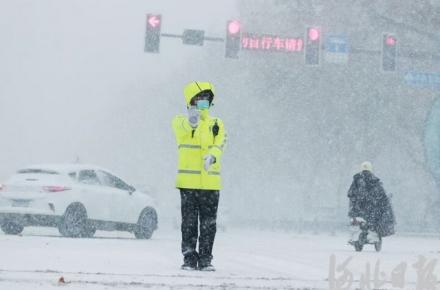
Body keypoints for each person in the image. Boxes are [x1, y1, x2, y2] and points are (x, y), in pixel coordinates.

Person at [172, 81, 227, 271]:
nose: (203, 101)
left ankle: (205, 259)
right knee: (188, 223)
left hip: (210, 184)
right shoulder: (180, 121)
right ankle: (189, 258)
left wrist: (213, 156)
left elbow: (221, 143)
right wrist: (192, 121)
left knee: (208, 224)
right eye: (199, 98)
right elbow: (183, 132)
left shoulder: (216, 124)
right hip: (188, 184)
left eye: (206, 98)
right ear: (191, 100)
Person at [347, 161, 395, 241]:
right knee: (380, 215)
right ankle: (373, 234)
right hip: (370, 210)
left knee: (354, 222)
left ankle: (355, 236)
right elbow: (381, 195)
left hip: (356, 210)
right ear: (370, 169)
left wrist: (356, 201)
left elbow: (350, 193)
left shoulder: (356, 179)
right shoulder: (375, 180)